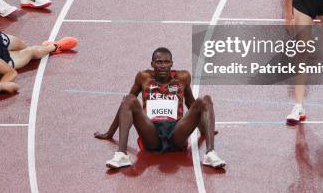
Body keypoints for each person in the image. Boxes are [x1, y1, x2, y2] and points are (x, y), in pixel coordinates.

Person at [94, 47, 225, 169]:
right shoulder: (143, 77)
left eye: (166, 62)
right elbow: (126, 106)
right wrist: (110, 133)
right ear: (152, 64)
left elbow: (191, 103)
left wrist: (205, 129)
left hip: (176, 132)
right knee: (129, 99)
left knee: (205, 100)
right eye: (159, 62)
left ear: (171, 63)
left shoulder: (183, 77)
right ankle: (121, 155)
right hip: (151, 132)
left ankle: (210, 154)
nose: (163, 66)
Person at [0, 31, 78, 98]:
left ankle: (42, 46)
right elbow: (14, 84)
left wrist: (0, 81)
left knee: (23, 45)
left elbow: (10, 73)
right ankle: (54, 46)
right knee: (30, 53)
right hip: (3, 62)